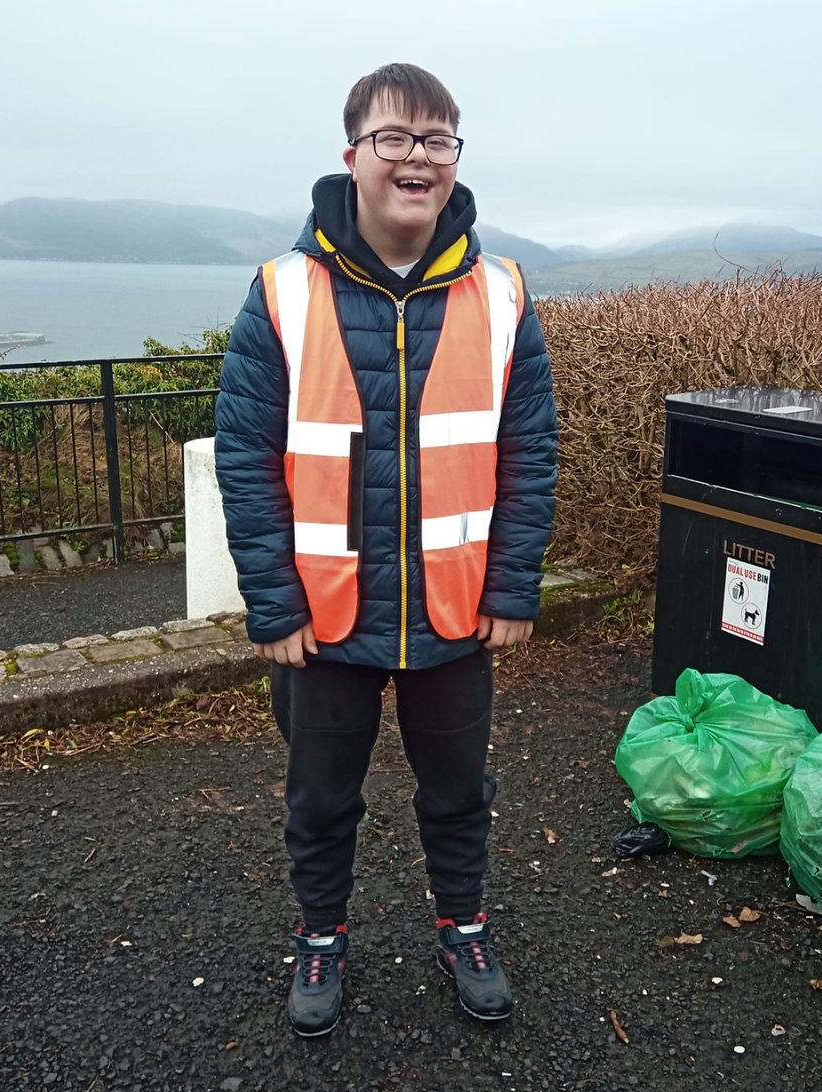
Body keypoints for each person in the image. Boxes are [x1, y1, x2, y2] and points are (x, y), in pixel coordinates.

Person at [213, 63, 557, 1037]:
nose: (418, 157)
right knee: (321, 799)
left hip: (455, 609)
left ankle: (465, 923)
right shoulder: (283, 290)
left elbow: (529, 448)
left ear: (455, 160)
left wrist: (514, 585)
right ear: (353, 154)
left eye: (437, 139)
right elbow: (245, 455)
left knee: (459, 793)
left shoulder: (502, 294)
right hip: (323, 618)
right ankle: (321, 935)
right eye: (395, 138)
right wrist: (272, 602)